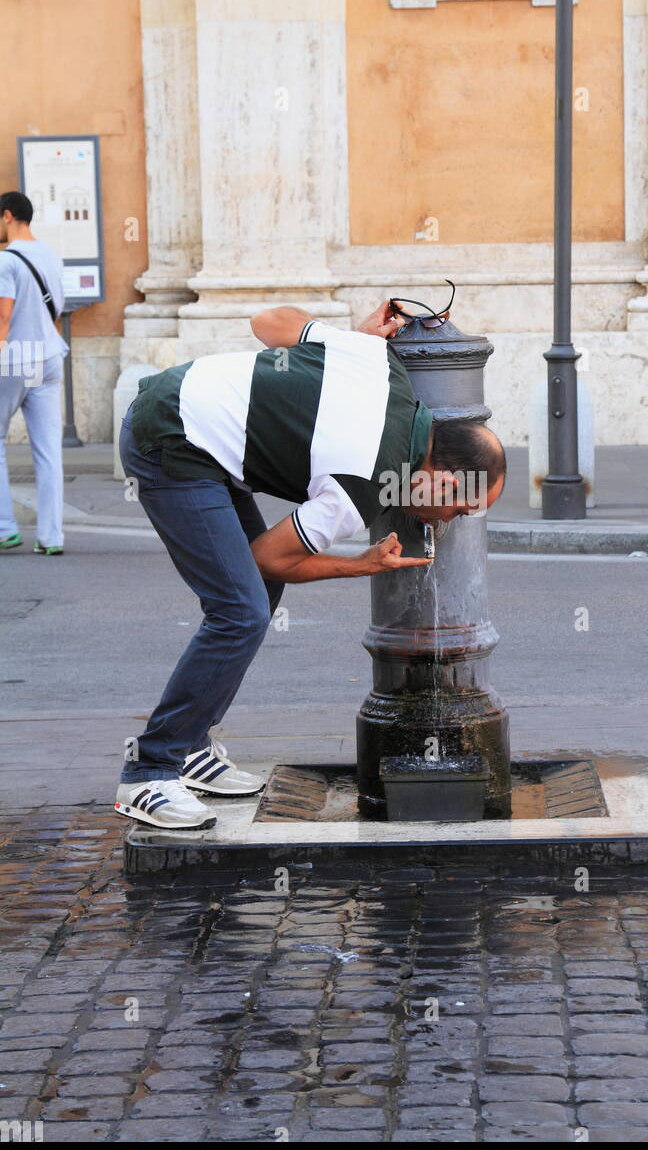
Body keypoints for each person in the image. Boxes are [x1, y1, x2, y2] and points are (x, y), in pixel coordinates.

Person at [115, 300, 506, 829]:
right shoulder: (362, 484)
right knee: (241, 611)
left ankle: (188, 748)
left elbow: (265, 321)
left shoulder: (377, 361)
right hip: (168, 439)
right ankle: (149, 770)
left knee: (253, 601)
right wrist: (362, 564)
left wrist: (340, 339)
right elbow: (269, 559)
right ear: (444, 478)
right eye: (461, 508)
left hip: (190, 414)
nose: (452, 520)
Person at [0, 192, 67, 556]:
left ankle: (4, 529)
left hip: (15, 357)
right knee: (48, 449)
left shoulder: (5, 262)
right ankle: (51, 536)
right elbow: (56, 311)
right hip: (50, 355)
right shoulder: (51, 256)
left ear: (7, 216)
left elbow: (3, 318)